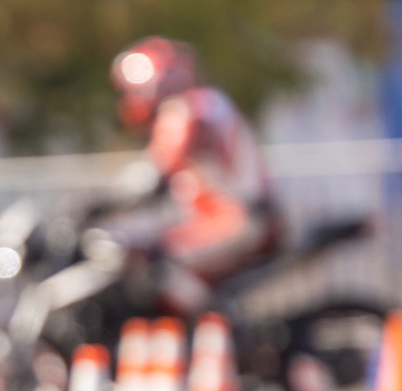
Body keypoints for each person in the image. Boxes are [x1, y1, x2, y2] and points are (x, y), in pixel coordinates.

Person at [110, 37, 279, 313]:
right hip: (233, 218)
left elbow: (159, 166)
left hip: (241, 219)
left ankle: (214, 327)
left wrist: (106, 200)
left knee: (158, 262)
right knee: (149, 249)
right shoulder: (204, 104)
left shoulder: (193, 108)